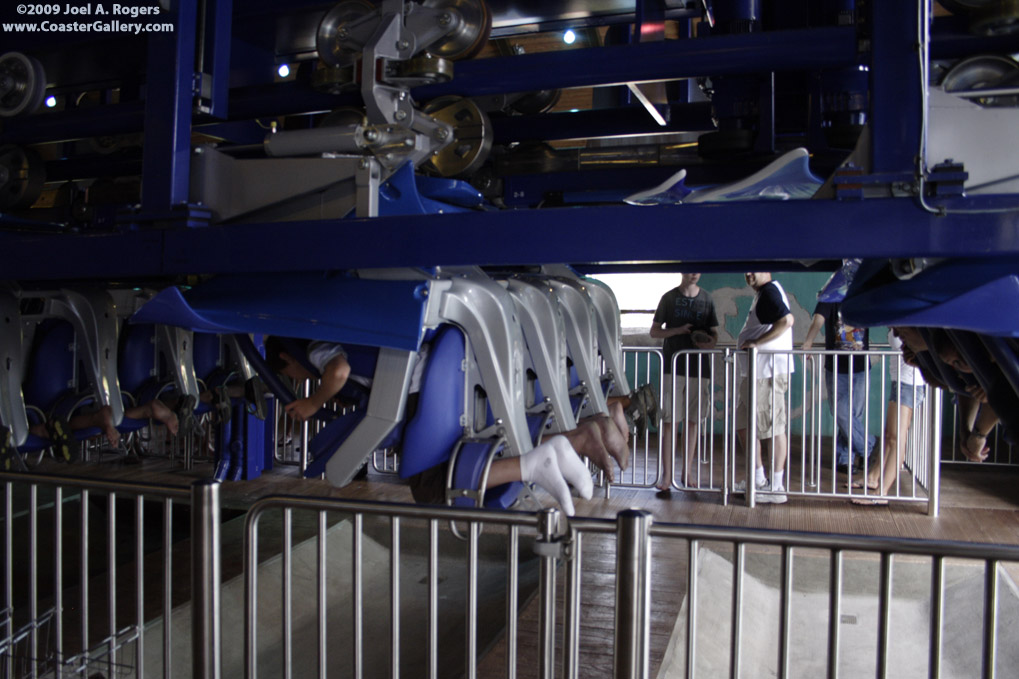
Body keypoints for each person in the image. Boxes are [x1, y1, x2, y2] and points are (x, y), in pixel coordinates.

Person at [264, 336, 629, 515]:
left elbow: (338, 371)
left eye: (290, 373)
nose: (298, 377)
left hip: (416, 388)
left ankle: (536, 463)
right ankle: (580, 435)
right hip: (448, 373)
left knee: (434, 488)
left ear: (285, 358)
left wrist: (312, 403)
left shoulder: (316, 346)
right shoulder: (345, 326)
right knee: (483, 444)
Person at [649, 273, 718, 494]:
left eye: (697, 271)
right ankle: (667, 475)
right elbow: (654, 331)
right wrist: (679, 331)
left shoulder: (707, 299)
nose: (694, 274)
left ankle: (686, 472)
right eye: (689, 270)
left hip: (700, 369)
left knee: (693, 421)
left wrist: (706, 342)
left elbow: (714, 335)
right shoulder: (668, 298)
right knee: (670, 421)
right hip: (673, 367)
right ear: (682, 271)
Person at [734, 272, 794, 504]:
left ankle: (776, 487)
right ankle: (758, 480)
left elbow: (787, 321)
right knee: (744, 425)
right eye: (746, 269)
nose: (749, 273)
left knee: (773, 428)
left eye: (754, 268)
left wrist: (756, 344)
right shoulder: (764, 294)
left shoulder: (769, 292)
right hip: (755, 373)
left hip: (767, 372)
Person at [801, 298, 876, 473]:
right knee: (841, 412)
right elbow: (819, 318)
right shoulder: (831, 294)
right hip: (836, 366)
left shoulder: (863, 293)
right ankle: (869, 447)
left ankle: (845, 459)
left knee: (854, 415)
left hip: (860, 366)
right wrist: (809, 340)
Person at [851, 332, 925, 505]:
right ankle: (873, 477)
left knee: (896, 437)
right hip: (900, 380)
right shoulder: (899, 322)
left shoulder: (913, 323)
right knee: (889, 435)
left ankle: (882, 492)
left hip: (909, 383)